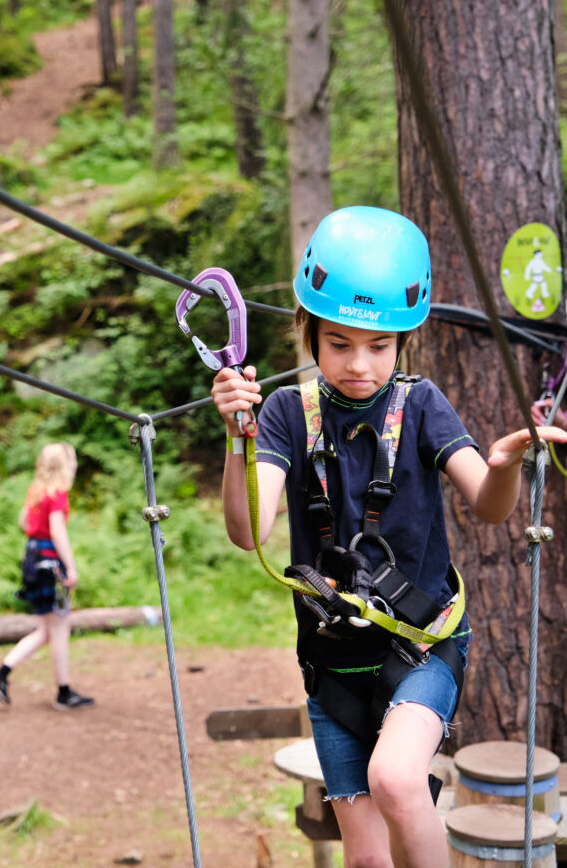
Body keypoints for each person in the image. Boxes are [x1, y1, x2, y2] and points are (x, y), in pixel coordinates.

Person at [211, 206, 567, 868]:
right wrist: (238, 440)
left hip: (422, 647)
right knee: (367, 860)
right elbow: (247, 530)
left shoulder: (422, 405)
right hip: (333, 667)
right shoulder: (287, 413)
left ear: (403, 341)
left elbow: (489, 508)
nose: (359, 365)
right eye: (339, 343)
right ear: (309, 331)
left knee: (398, 781)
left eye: (379, 346)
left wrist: (503, 467)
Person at [0, 441, 94, 712]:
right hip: (49, 564)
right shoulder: (58, 494)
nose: (75, 465)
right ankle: (63, 692)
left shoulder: (37, 491)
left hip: (32, 560)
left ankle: (1, 673)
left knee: (46, 630)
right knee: (59, 627)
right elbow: (57, 532)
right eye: (72, 460)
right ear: (63, 465)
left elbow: (24, 522)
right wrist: (71, 568)